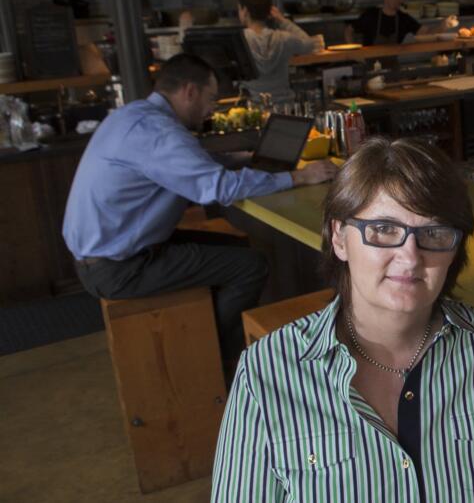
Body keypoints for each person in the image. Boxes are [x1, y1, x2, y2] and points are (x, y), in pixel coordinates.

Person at [211, 138, 474, 502]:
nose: (410, 258)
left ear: (455, 247)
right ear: (339, 238)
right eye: (383, 230)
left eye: (434, 233)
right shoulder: (268, 372)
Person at [63, 54, 337, 366]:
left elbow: (187, 163)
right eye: (211, 98)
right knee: (250, 266)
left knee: (238, 248)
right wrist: (299, 176)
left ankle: (227, 346)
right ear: (189, 91)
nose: (212, 109)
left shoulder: (134, 116)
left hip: (107, 254)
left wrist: (243, 159)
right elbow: (219, 189)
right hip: (119, 268)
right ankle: (207, 357)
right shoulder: (159, 132)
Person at [238, 0, 319, 104]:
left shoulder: (239, 39)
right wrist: (282, 20)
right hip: (285, 107)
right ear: (269, 12)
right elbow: (309, 44)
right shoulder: (283, 39)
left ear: (245, 11)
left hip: (254, 108)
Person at [347, 0, 421, 45]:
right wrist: (357, 55)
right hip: (372, 61)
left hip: (392, 60)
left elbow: (423, 31)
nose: (400, 0)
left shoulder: (404, 18)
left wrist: (431, 33)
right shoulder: (371, 15)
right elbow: (348, 31)